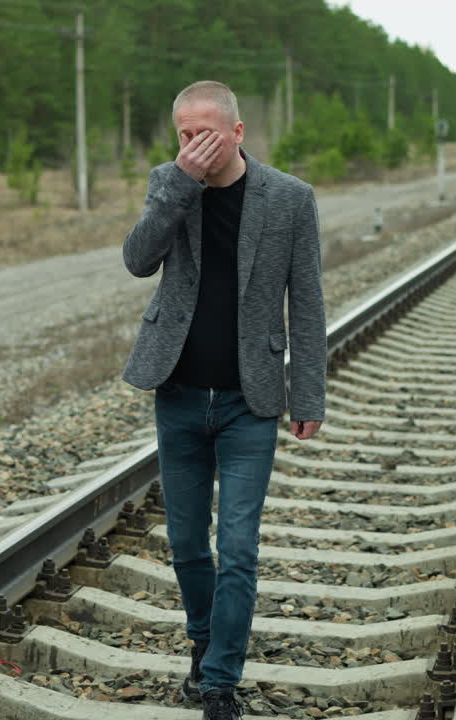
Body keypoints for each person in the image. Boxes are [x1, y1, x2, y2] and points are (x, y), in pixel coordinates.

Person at [121, 80, 327, 720]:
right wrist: (181, 182)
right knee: (186, 544)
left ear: (238, 133)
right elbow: (137, 260)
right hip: (178, 394)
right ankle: (204, 646)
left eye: (208, 133)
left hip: (249, 401)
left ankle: (219, 684)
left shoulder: (290, 199)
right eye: (185, 135)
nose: (196, 145)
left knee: (238, 547)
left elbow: (309, 303)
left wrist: (308, 391)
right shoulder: (168, 182)